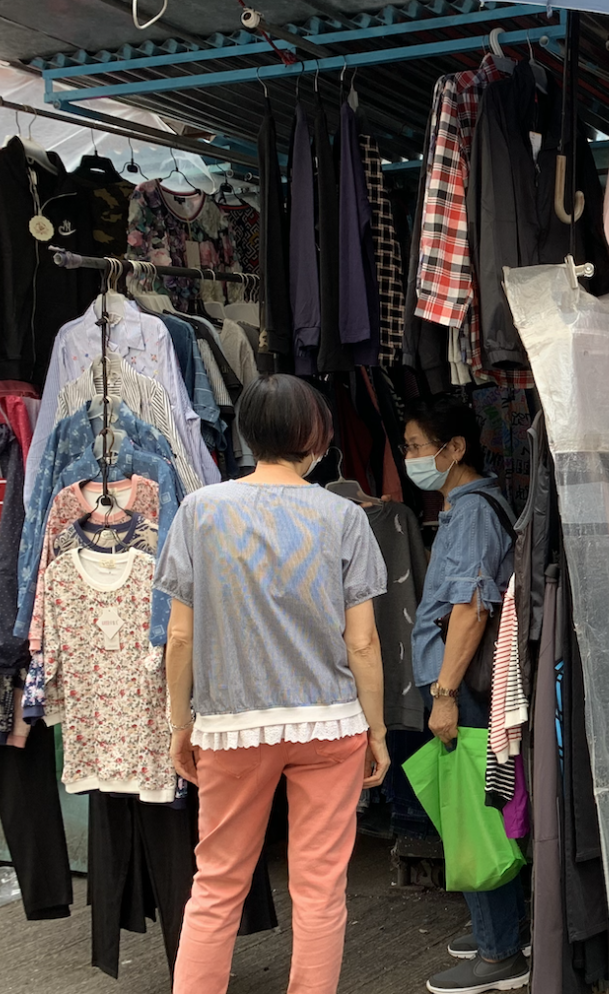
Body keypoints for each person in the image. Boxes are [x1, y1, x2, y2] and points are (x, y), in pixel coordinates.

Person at [161, 375, 390, 994]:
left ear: (247, 431)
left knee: (217, 884)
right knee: (320, 888)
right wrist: (377, 729)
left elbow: (179, 636)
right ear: (316, 436)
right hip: (330, 723)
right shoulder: (344, 517)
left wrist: (180, 723)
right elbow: (363, 642)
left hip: (232, 724)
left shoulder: (200, 511)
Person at [405, 395, 528, 994]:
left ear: (454, 449)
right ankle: (504, 931)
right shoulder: (467, 506)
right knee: (483, 805)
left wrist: (446, 693)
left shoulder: (474, 510)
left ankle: (499, 954)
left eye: (416, 447)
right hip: (470, 688)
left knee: (473, 813)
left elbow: (471, 607)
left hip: (467, 690)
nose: (410, 458)